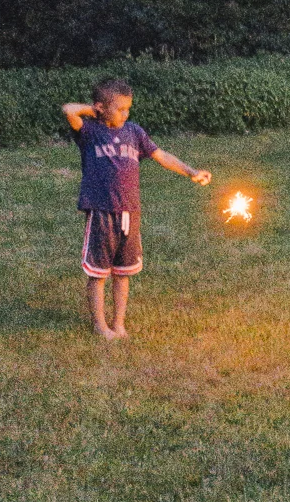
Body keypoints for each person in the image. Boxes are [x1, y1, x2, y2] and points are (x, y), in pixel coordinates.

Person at [62, 77, 211, 340]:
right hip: (101, 211)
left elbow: (161, 156)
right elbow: (68, 110)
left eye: (128, 108)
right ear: (101, 107)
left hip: (130, 213)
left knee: (123, 273)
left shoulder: (134, 132)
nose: (125, 113)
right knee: (98, 273)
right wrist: (95, 111)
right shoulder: (90, 132)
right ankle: (100, 326)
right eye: (119, 109)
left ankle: (119, 324)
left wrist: (191, 171)